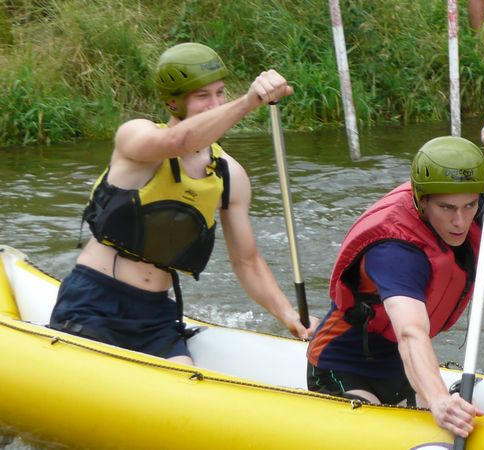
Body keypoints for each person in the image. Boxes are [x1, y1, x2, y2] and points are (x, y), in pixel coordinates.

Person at [49, 42, 318, 366]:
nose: (215, 104)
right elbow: (178, 142)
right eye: (202, 96)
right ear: (173, 102)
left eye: (220, 93)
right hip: (94, 301)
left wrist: (289, 316)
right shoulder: (135, 137)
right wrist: (248, 103)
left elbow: (247, 262)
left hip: (157, 314)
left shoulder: (229, 174)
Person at [306, 112, 484, 438]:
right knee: (375, 426)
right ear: (422, 201)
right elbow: (410, 332)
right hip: (343, 366)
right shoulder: (396, 250)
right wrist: (438, 400)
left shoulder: (466, 206)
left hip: (401, 368)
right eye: (447, 208)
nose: (460, 222)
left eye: (469, 206)